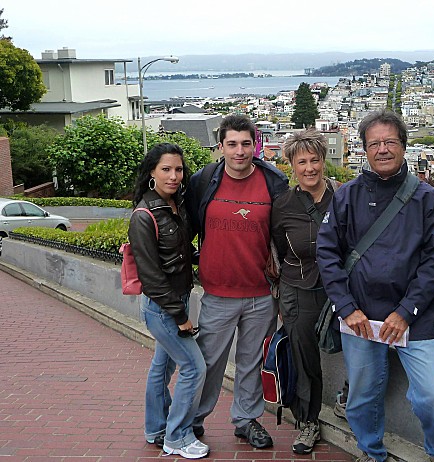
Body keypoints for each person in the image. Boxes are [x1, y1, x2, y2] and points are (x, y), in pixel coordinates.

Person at [316, 110, 434, 462]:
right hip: (361, 316)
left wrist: (406, 311)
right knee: (363, 395)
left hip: (413, 316)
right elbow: (326, 252)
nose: (382, 149)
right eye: (374, 143)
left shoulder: (426, 198)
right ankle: (370, 450)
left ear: (403, 146)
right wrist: (346, 308)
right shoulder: (347, 196)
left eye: (390, 142)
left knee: (433, 396)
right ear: (364, 149)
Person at [185, 115, 289, 449]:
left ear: (255, 145)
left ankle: (246, 419)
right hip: (217, 292)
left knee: (251, 361)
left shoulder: (273, 182)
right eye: (232, 144)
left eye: (246, 143)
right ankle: (193, 419)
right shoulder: (205, 180)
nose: (240, 151)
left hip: (261, 294)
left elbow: (285, 236)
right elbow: (184, 227)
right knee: (208, 362)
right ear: (221, 147)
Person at [128, 143, 209, 459]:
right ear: (151, 172)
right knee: (194, 367)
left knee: (162, 368)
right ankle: (177, 436)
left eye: (178, 169)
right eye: (166, 169)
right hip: (164, 308)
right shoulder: (144, 216)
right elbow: (151, 277)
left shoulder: (175, 205)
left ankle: (156, 428)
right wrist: (180, 316)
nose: (174, 176)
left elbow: (179, 253)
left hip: (178, 300)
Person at [271, 128, 336, 454]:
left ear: (324, 161)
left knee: (360, 351)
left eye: (314, 160)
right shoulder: (283, 205)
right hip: (298, 288)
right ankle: (308, 422)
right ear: (291, 166)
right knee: (304, 357)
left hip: (338, 289)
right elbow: (279, 249)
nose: (309, 168)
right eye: (302, 162)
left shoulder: (342, 198)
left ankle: (347, 400)